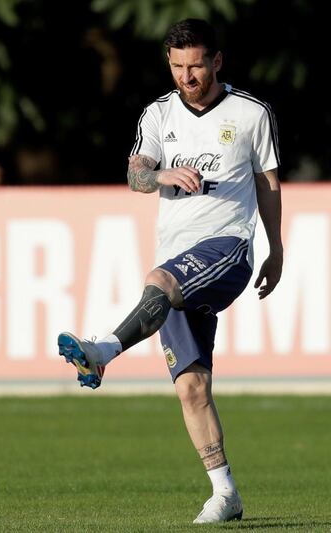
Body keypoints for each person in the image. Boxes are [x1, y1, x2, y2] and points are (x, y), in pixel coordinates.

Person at [57, 18, 282, 524]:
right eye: (178, 66)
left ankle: (103, 351)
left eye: (197, 65)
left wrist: (276, 248)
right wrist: (160, 174)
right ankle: (225, 493)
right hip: (177, 258)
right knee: (191, 386)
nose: (188, 76)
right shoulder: (158, 114)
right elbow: (136, 174)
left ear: (217, 61)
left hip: (227, 248)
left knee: (158, 282)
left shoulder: (251, 113)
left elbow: (268, 182)